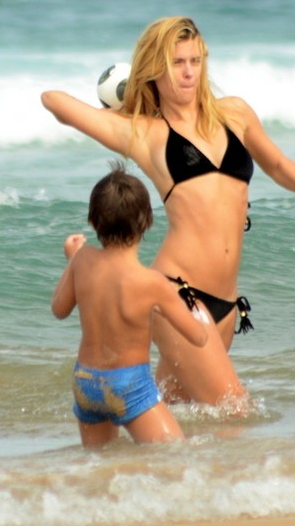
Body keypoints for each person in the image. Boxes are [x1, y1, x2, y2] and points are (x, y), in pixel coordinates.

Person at [42, 16, 295, 407]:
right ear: (156, 69)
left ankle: (115, 448)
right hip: (179, 292)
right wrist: (129, 103)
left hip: (226, 303)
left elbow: (277, 163)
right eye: (176, 63)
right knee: (235, 411)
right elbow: (54, 101)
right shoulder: (147, 133)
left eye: (195, 61)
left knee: (188, 417)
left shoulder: (234, 113)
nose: (188, 72)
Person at [51, 163, 207, 448]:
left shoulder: (82, 259)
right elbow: (198, 337)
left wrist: (72, 259)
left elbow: (59, 309)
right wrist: (192, 306)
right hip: (129, 385)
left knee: (98, 467)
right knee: (175, 456)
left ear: (94, 221)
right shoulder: (151, 282)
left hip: (86, 382)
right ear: (146, 221)